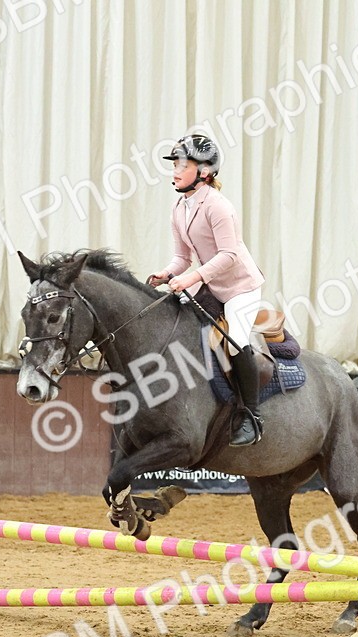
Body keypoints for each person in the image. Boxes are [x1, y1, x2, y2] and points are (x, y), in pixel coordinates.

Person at [148, 134, 267, 447]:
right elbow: (181, 258)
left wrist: (189, 279)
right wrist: (167, 273)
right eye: (174, 163)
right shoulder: (180, 207)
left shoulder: (219, 207)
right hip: (212, 284)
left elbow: (228, 256)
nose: (174, 170)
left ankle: (251, 416)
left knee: (235, 341)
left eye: (181, 164)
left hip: (241, 287)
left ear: (204, 172)